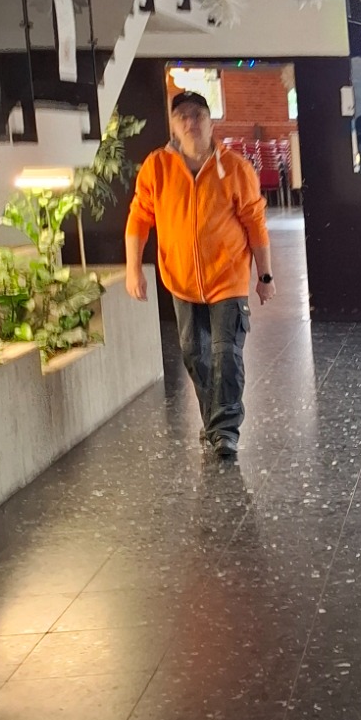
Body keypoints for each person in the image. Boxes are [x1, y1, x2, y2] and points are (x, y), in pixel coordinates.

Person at [125, 89, 275, 459]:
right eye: (182, 117)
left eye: (198, 115)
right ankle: (213, 423)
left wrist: (265, 276)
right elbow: (139, 218)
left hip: (229, 278)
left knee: (227, 353)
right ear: (173, 125)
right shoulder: (157, 167)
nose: (190, 122)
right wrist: (133, 269)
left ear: (210, 122)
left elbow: (255, 224)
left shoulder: (236, 168)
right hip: (181, 280)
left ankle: (225, 431)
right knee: (195, 354)